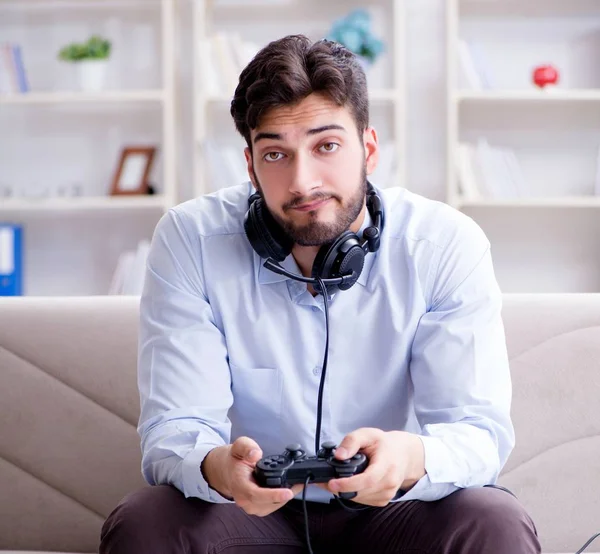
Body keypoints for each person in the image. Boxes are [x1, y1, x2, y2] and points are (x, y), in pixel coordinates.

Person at [100, 35, 541, 554]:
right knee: (145, 520)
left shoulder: (444, 244)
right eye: (275, 154)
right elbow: (175, 425)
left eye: (326, 146)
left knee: (492, 519)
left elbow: (477, 431)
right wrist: (215, 467)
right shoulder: (190, 241)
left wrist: (408, 458)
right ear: (249, 165)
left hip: (394, 508)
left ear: (369, 148)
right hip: (252, 514)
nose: (302, 180)